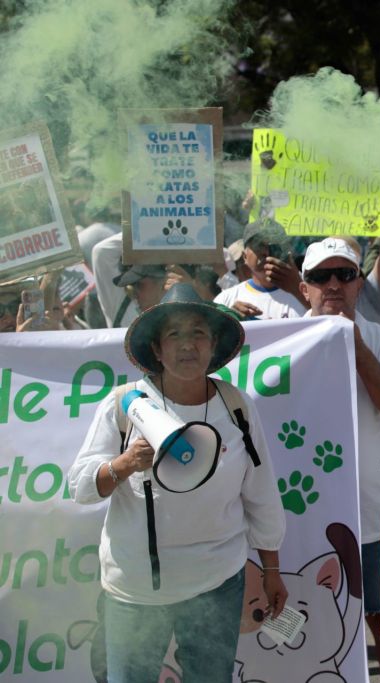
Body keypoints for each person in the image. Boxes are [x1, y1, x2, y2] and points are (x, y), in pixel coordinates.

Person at [67, 283, 286, 682]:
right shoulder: (123, 405)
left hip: (217, 584)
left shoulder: (236, 406)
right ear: (157, 349)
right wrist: (124, 463)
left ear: (213, 344)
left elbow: (261, 492)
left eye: (198, 333)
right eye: (174, 334)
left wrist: (272, 570)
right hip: (135, 593)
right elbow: (80, 487)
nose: (188, 345)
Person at [299, 238, 380, 683]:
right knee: (299, 627)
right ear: (304, 287)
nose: (333, 284)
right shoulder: (280, 342)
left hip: (374, 518)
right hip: (303, 519)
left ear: (359, 283)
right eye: (321, 276)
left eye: (344, 275)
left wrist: (355, 343)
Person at [214, 220, 306, 319]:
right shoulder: (226, 300)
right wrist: (230, 321)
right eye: (258, 245)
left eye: (274, 246)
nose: (266, 252)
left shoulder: (309, 292)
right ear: (245, 256)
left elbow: (323, 322)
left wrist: (299, 291)